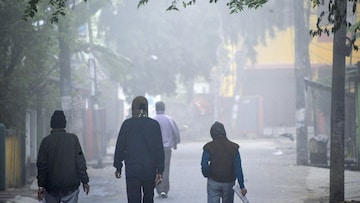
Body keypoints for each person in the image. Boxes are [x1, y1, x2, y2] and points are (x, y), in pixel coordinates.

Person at [114, 96, 165, 203]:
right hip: (149, 170)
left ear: (133, 108)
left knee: (133, 199)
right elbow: (159, 149)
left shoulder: (127, 125)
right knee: (148, 197)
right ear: (146, 107)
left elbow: (120, 146)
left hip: (132, 170)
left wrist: (118, 165)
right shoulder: (154, 125)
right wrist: (159, 170)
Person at [37, 110, 90, 203]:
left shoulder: (46, 142)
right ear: (65, 124)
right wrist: (85, 181)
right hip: (71, 187)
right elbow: (80, 162)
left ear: (51, 124)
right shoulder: (73, 139)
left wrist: (41, 185)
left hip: (51, 187)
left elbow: (42, 166)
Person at [201, 121, 247, 203]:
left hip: (213, 181)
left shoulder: (208, 147)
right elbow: (238, 168)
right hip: (229, 183)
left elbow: (204, 165)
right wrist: (242, 186)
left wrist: (208, 175)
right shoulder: (234, 147)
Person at [152, 101, 180, 198]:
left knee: (155, 168)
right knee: (165, 168)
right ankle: (163, 189)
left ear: (156, 109)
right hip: (167, 148)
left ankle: (158, 187)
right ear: (164, 108)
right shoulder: (170, 120)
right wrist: (175, 143)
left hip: (154, 149)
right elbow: (175, 132)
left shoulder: (152, 119)